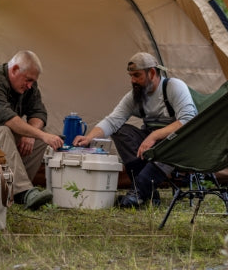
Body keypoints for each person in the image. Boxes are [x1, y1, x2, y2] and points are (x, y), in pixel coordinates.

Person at [73, 52, 197, 208]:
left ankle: (138, 192)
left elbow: (188, 120)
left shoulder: (173, 87)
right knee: (120, 130)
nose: (133, 80)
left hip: (177, 142)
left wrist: (155, 135)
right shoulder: (135, 96)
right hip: (150, 142)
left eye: (137, 75)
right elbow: (112, 121)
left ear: (152, 73)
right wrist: (89, 137)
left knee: (169, 143)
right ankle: (148, 193)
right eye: (131, 76)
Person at [0, 50, 63, 210]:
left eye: (33, 81)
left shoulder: (29, 86)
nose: (30, 85)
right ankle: (23, 191)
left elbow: (39, 113)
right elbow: (6, 118)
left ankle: (17, 191)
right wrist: (38, 134)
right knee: (4, 131)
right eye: (28, 80)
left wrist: (31, 134)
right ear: (15, 69)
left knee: (37, 139)